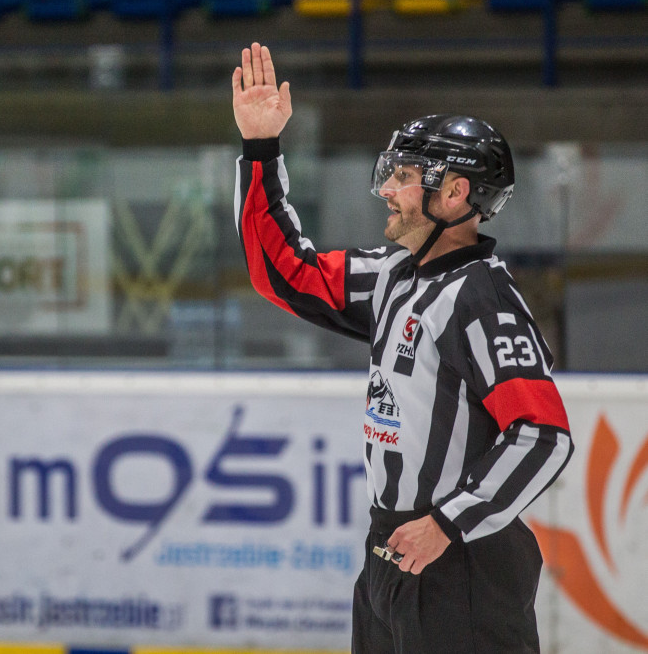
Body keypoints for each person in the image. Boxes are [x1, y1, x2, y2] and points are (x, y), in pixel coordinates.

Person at [231, 42, 574, 653]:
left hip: (462, 564)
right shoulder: (393, 273)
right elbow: (282, 271)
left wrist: (446, 523)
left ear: (455, 193)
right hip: (390, 551)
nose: (386, 189)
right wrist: (261, 148)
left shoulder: (483, 300)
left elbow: (543, 436)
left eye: (406, 177)